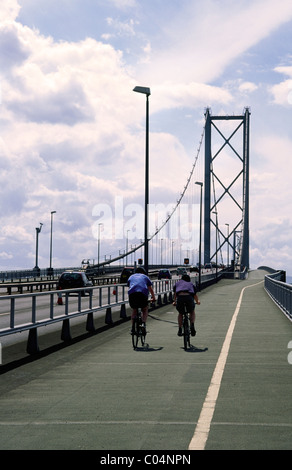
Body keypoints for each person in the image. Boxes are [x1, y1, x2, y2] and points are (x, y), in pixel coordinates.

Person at [127, 267, 156, 333]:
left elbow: (130, 286)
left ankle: (133, 328)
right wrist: (153, 298)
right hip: (142, 294)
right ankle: (143, 323)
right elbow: (150, 289)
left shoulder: (131, 277)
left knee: (134, 310)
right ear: (143, 272)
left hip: (132, 294)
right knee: (145, 309)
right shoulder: (145, 277)